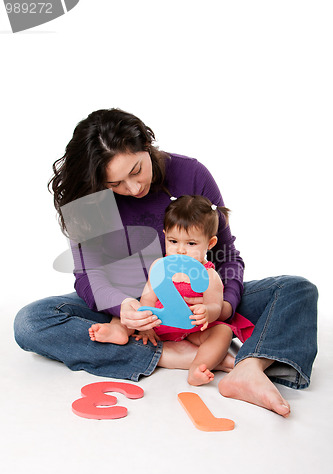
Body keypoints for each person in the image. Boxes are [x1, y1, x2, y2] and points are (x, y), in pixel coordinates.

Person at [14, 108, 318, 418]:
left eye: (136, 170)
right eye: (115, 184)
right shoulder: (91, 195)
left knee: (295, 290)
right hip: (134, 308)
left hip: (199, 305)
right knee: (31, 322)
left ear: (145, 143)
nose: (132, 188)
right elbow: (90, 276)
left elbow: (227, 253)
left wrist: (222, 306)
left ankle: (248, 368)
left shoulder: (190, 174)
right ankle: (174, 355)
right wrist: (122, 309)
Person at [89, 195, 254, 386]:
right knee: (130, 309)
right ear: (165, 235)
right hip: (158, 322)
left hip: (191, 329)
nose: (180, 250)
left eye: (191, 244)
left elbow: (216, 306)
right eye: (173, 241)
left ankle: (199, 366)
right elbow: (148, 298)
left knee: (223, 332)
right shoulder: (159, 267)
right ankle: (119, 331)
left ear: (210, 244)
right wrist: (146, 326)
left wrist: (207, 311)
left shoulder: (209, 276)